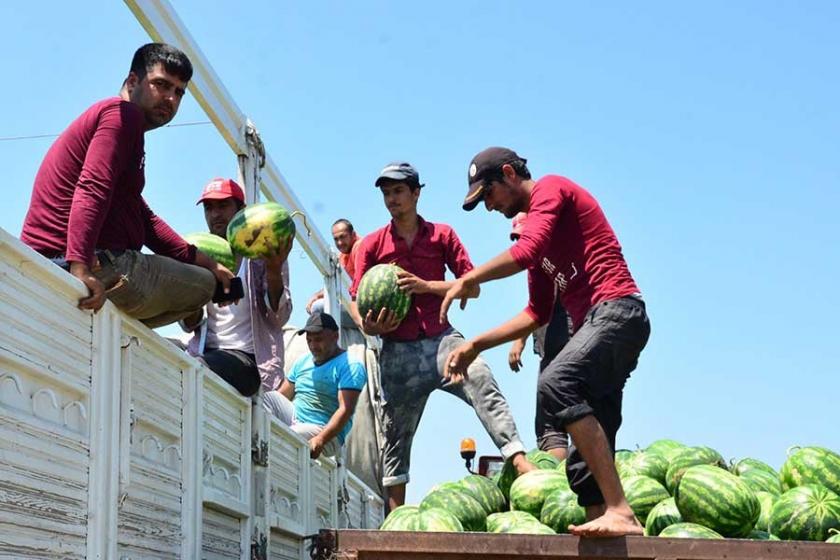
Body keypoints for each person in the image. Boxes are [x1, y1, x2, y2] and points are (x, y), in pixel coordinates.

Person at [441, 147, 651, 537]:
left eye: (488, 195)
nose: (488, 208)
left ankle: (621, 510)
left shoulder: (551, 189)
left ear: (508, 174)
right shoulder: (541, 258)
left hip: (617, 311)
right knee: (581, 460)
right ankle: (601, 520)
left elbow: (527, 249)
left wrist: (469, 278)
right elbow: (536, 312)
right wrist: (475, 345)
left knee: (555, 383)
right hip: (599, 322)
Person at [348, 161, 533, 512]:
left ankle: (517, 458)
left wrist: (425, 286)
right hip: (398, 349)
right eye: (387, 194)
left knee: (480, 377)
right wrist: (368, 326)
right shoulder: (371, 244)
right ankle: (396, 515)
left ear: (416, 193)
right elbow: (357, 300)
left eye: (399, 191)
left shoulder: (442, 235)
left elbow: (472, 287)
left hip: (441, 339)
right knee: (395, 435)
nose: (392, 199)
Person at [20, 43, 232, 328]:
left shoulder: (121, 126)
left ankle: (107, 331)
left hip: (59, 259)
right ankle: (113, 331)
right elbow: (93, 186)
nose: (170, 98)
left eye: (179, 92)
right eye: (161, 84)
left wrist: (202, 259)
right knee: (203, 286)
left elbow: (144, 219)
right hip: (83, 262)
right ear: (133, 81)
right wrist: (79, 267)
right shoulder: (121, 115)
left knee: (202, 274)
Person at [182, 178, 293, 395]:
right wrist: (193, 294)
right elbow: (188, 324)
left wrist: (273, 271)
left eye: (223, 206)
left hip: (248, 360)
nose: (215, 214)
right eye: (209, 208)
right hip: (203, 350)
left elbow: (280, 318)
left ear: (241, 211)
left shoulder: (261, 255)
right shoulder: (201, 253)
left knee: (197, 368)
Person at [506, 212, 571, 462]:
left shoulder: (549, 259)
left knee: (552, 424)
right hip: (561, 347)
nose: (523, 245)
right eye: (519, 239)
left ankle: (558, 481)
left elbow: (539, 310)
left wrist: (519, 339)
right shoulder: (545, 259)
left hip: (560, 346)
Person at [263, 312, 366, 459]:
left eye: (318, 340)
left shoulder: (350, 365)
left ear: (335, 336)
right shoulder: (303, 361)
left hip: (324, 431)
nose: (313, 346)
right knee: (266, 398)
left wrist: (321, 439)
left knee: (289, 435)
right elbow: (282, 396)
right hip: (295, 417)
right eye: (309, 340)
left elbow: (346, 409)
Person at [305, 219, 363, 314]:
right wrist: (317, 295)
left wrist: (317, 297)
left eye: (342, 237)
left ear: (353, 235)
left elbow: (357, 283)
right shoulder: (343, 255)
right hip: (353, 302)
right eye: (336, 239)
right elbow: (337, 283)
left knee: (318, 307)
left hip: (364, 306)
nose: (339, 243)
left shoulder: (360, 247)